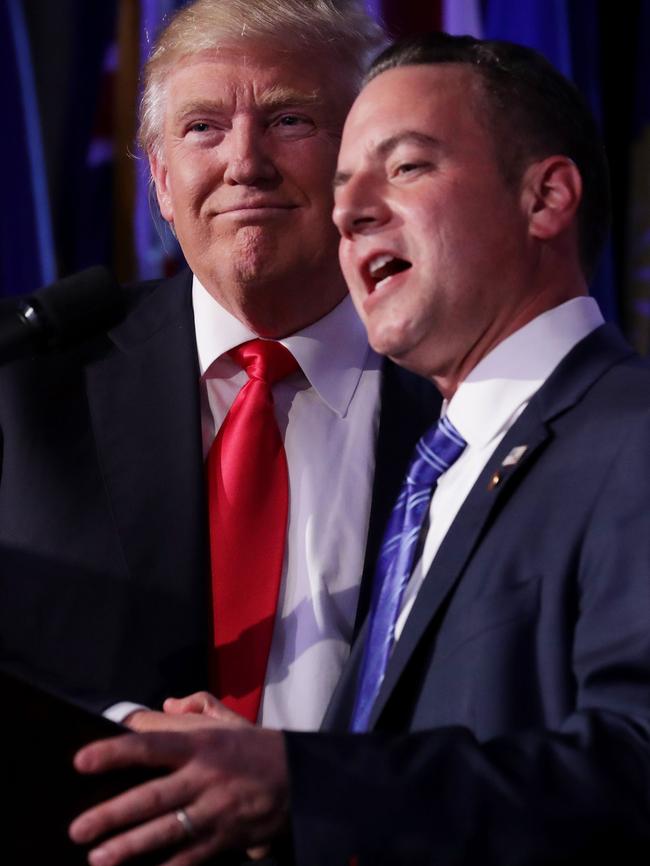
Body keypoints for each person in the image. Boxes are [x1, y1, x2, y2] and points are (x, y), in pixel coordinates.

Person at [69, 31, 650, 866]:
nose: (348, 211)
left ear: (545, 198)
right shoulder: (445, 470)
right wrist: (267, 775)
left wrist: (302, 780)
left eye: (406, 167)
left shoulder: (627, 437)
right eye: (343, 185)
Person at [0, 0, 441, 737]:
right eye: (204, 127)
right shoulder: (28, 382)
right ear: (164, 184)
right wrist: (121, 736)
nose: (245, 164)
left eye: (288, 120)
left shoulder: (462, 394)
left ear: (365, 161)